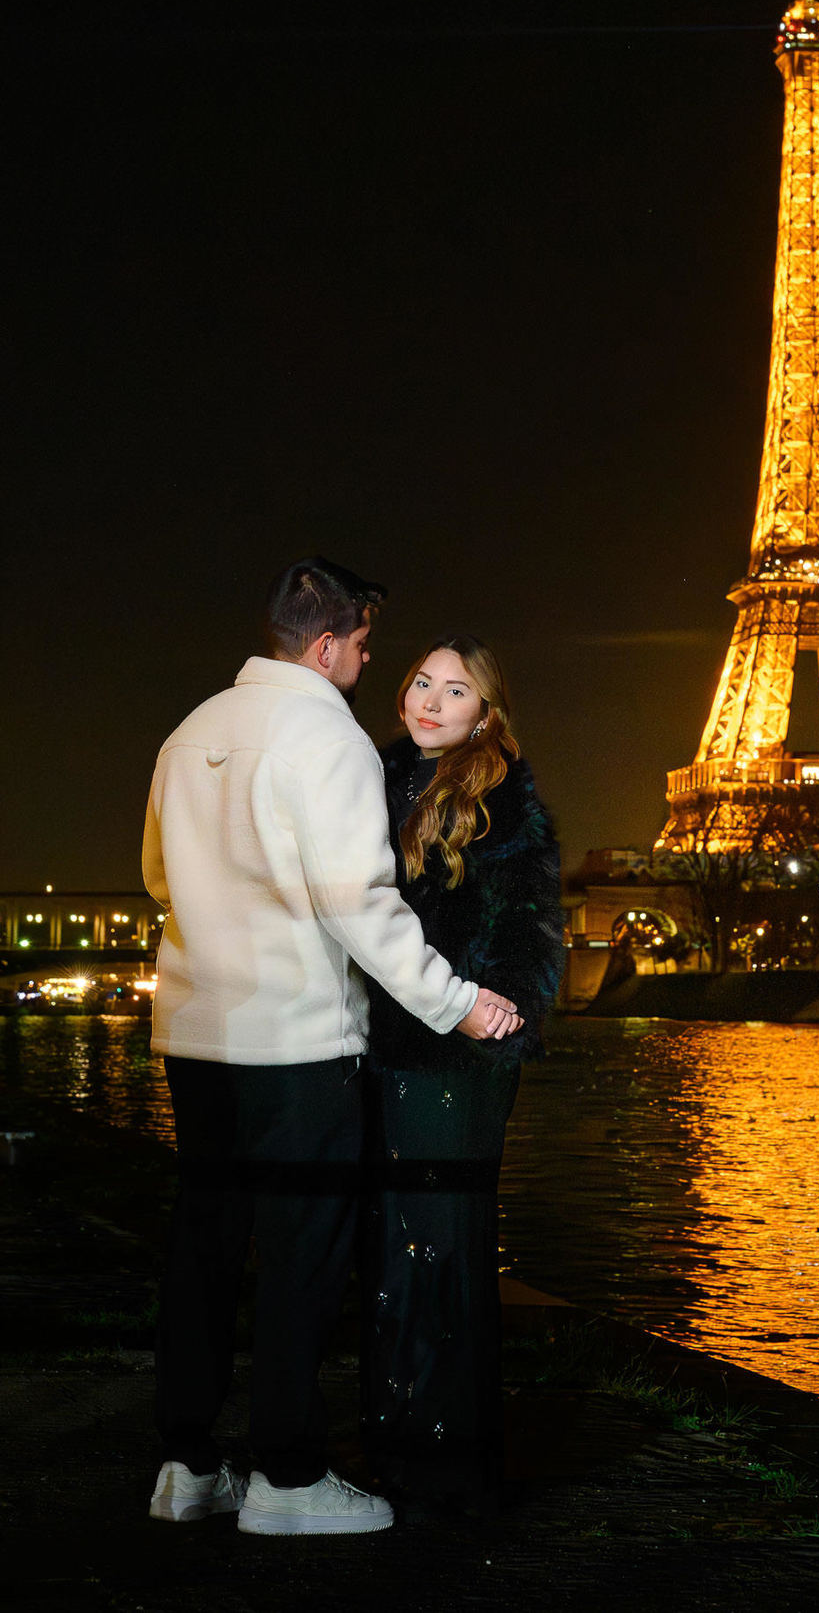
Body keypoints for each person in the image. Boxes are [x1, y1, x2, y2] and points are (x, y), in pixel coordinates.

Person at [142, 560, 521, 1538]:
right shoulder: (330, 740)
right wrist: (457, 1005)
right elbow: (364, 911)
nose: (365, 660)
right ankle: (288, 1477)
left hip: (194, 1034)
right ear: (328, 643)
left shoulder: (189, 734)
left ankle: (187, 1467)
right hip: (298, 1043)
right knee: (301, 1259)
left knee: (205, 1251)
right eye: (361, 643)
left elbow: (156, 877)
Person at [360, 637, 562, 1519]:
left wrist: (504, 1005)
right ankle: (402, 1438)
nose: (431, 700)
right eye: (421, 682)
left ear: (486, 712)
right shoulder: (380, 776)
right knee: (397, 1248)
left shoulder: (499, 796)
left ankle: (445, 1459)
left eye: (456, 690)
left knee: (439, 1245)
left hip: (457, 1054)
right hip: (389, 1048)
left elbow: (528, 922)